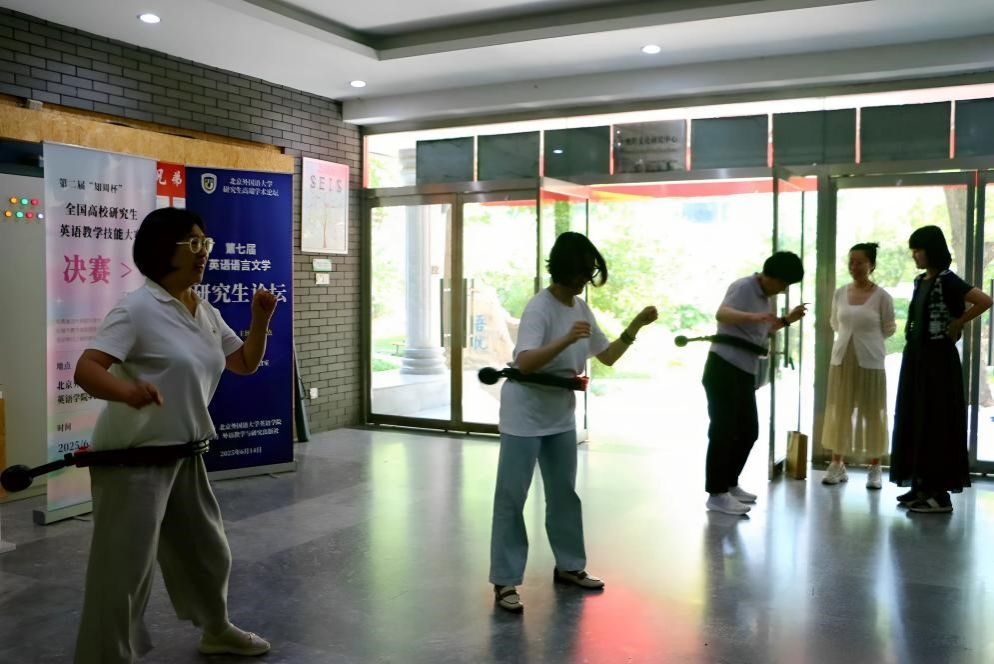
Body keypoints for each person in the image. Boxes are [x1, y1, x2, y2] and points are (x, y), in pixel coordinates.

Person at [73, 208, 275, 662]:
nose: (204, 253)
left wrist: (260, 320)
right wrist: (127, 392)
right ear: (164, 249)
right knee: (124, 569)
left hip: (186, 451)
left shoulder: (203, 310)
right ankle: (105, 656)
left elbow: (243, 363)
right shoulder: (136, 309)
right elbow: (87, 369)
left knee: (208, 552)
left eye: (206, 243)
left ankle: (216, 630)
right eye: (194, 244)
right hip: (134, 458)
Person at [489, 231, 657, 613]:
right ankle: (505, 579)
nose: (585, 280)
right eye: (582, 272)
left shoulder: (580, 308)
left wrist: (634, 326)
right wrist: (565, 341)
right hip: (524, 414)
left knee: (564, 493)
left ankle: (569, 566)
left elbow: (607, 356)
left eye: (589, 272)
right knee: (512, 497)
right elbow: (524, 361)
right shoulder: (540, 307)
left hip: (560, 414)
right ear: (565, 270)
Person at [890, 225, 992, 513]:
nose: (914, 255)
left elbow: (985, 300)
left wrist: (959, 321)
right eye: (913, 250)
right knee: (916, 419)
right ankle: (921, 486)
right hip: (917, 358)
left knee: (935, 421)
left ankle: (939, 494)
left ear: (931, 250)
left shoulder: (948, 280)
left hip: (938, 362)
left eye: (918, 250)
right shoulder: (920, 281)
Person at [703, 251, 806, 516]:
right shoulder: (743, 287)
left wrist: (787, 320)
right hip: (724, 366)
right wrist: (755, 317)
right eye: (784, 283)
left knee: (748, 431)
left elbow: (765, 328)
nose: (784, 289)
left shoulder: (767, 297)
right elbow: (722, 314)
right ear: (771, 276)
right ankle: (716, 493)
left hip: (744, 370)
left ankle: (729, 484)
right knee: (723, 430)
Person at [821, 242, 896, 489]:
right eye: (851, 262)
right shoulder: (840, 293)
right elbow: (835, 323)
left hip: (871, 361)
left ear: (871, 265)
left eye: (860, 262)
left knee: (872, 412)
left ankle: (875, 467)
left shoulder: (882, 297)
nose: (854, 266)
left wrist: (867, 341)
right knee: (839, 410)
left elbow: (889, 328)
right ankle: (837, 464)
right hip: (842, 359)